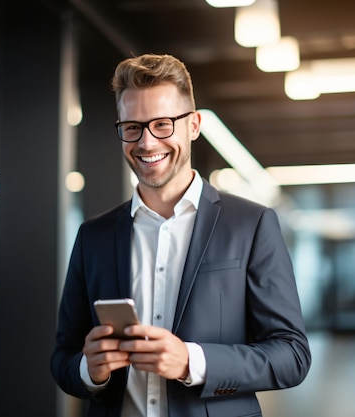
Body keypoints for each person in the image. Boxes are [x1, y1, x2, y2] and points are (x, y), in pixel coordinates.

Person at [51, 53, 311, 417]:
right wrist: (88, 370)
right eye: (132, 127)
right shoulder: (93, 236)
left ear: (193, 125)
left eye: (162, 124)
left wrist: (192, 360)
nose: (146, 143)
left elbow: (292, 355)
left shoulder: (251, 225)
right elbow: (63, 357)